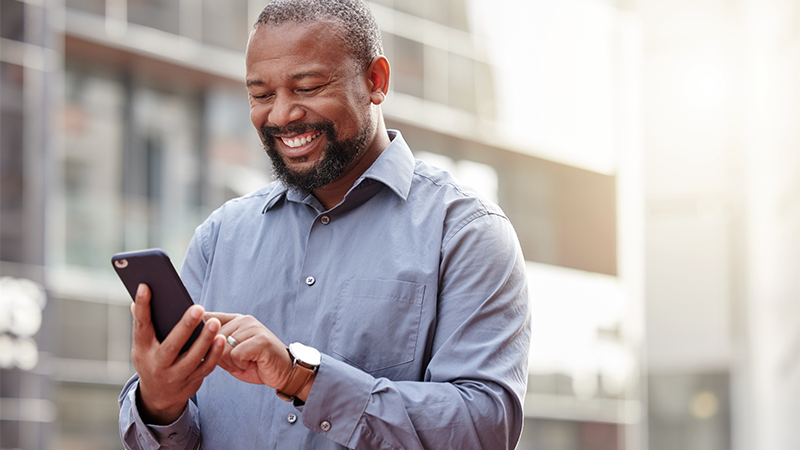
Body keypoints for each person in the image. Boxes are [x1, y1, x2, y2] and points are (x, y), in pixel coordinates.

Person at [118, 0, 531, 448]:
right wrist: (159, 403)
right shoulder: (220, 236)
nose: (280, 115)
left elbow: (485, 428)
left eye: (308, 87)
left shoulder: (467, 233)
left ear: (376, 81)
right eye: (261, 95)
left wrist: (303, 378)